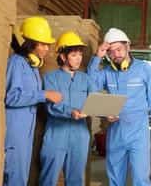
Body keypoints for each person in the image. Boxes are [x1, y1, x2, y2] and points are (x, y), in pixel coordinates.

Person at [87, 28, 151, 185]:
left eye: (119, 49)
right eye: (111, 52)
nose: (115, 55)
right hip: (115, 132)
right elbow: (90, 86)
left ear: (128, 46)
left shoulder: (144, 69)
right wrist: (97, 58)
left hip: (138, 132)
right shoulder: (106, 72)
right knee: (115, 178)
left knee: (140, 178)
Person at [4, 16, 62, 185]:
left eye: (48, 44)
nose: (47, 48)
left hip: (25, 131)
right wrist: (43, 95)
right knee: (14, 176)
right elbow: (11, 97)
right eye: (42, 44)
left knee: (21, 177)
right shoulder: (16, 63)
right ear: (30, 43)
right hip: (15, 132)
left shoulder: (32, 66)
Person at [39, 31, 97, 186]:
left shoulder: (85, 79)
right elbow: (52, 106)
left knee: (76, 180)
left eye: (80, 54)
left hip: (80, 136)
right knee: (48, 178)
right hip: (56, 134)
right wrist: (70, 112)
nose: (79, 58)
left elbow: (96, 101)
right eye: (74, 55)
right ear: (63, 57)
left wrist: (108, 114)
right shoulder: (51, 78)